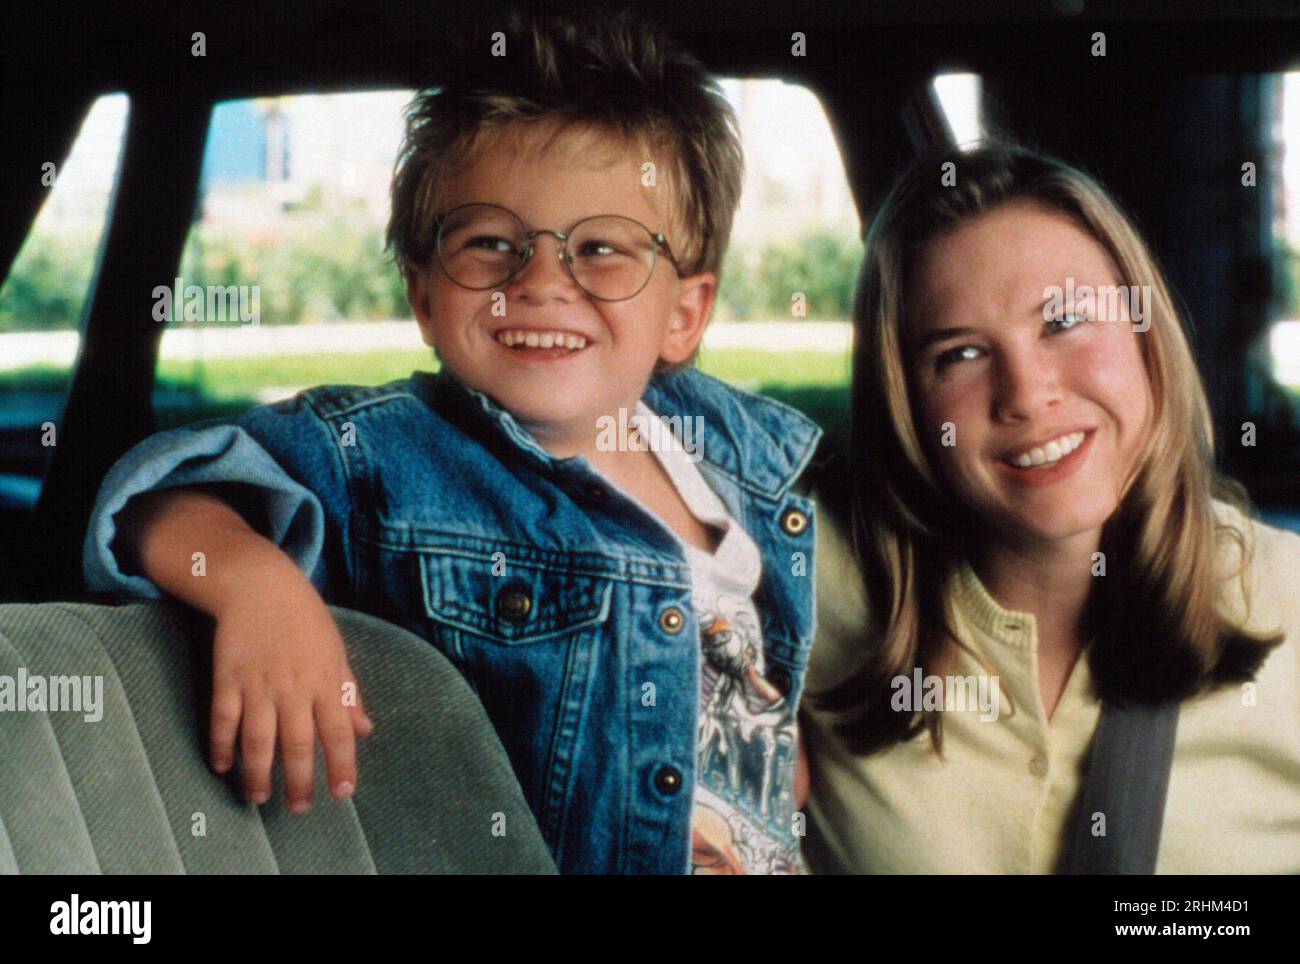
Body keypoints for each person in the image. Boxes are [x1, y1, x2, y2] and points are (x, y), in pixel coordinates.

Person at [82, 12, 819, 875]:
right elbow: (158, 499)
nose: (542, 282)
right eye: (491, 245)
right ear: (425, 295)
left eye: (604, 250)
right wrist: (255, 584)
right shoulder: (386, 457)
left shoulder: (742, 464)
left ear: (685, 314)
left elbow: (752, 689)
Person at [801, 143, 1300, 873]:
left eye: (1064, 321)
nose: (1027, 394)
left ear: (1144, 333)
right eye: (960, 355)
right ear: (907, 404)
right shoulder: (804, 586)